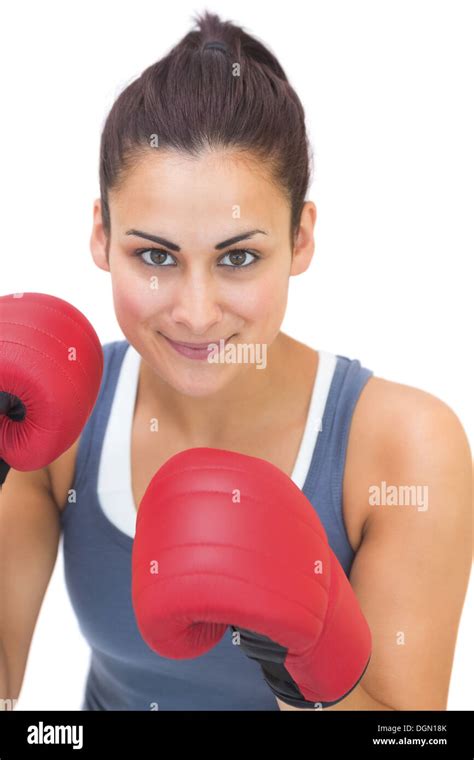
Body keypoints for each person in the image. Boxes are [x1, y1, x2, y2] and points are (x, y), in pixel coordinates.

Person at [0, 10, 471, 712]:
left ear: (301, 239)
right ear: (100, 235)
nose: (195, 311)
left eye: (239, 256)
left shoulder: (405, 448)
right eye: (154, 255)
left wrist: (310, 669)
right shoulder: (53, 413)